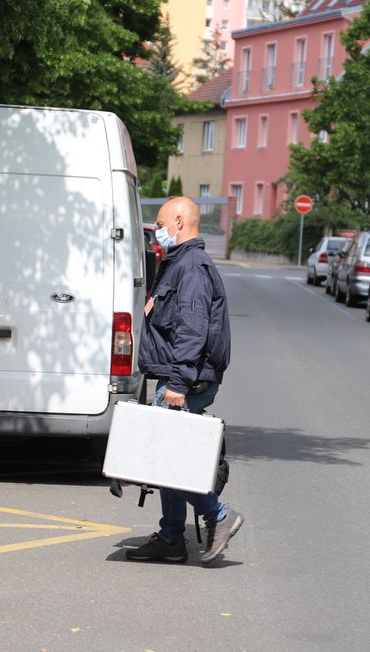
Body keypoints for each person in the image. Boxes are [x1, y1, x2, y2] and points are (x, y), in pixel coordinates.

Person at [125, 196, 243, 565]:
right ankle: (172, 539)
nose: (157, 232)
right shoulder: (180, 263)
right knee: (167, 457)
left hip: (185, 381)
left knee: (163, 458)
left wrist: (177, 383)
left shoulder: (191, 267)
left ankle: (219, 515)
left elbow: (192, 331)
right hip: (181, 377)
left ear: (179, 221)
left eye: (160, 224)